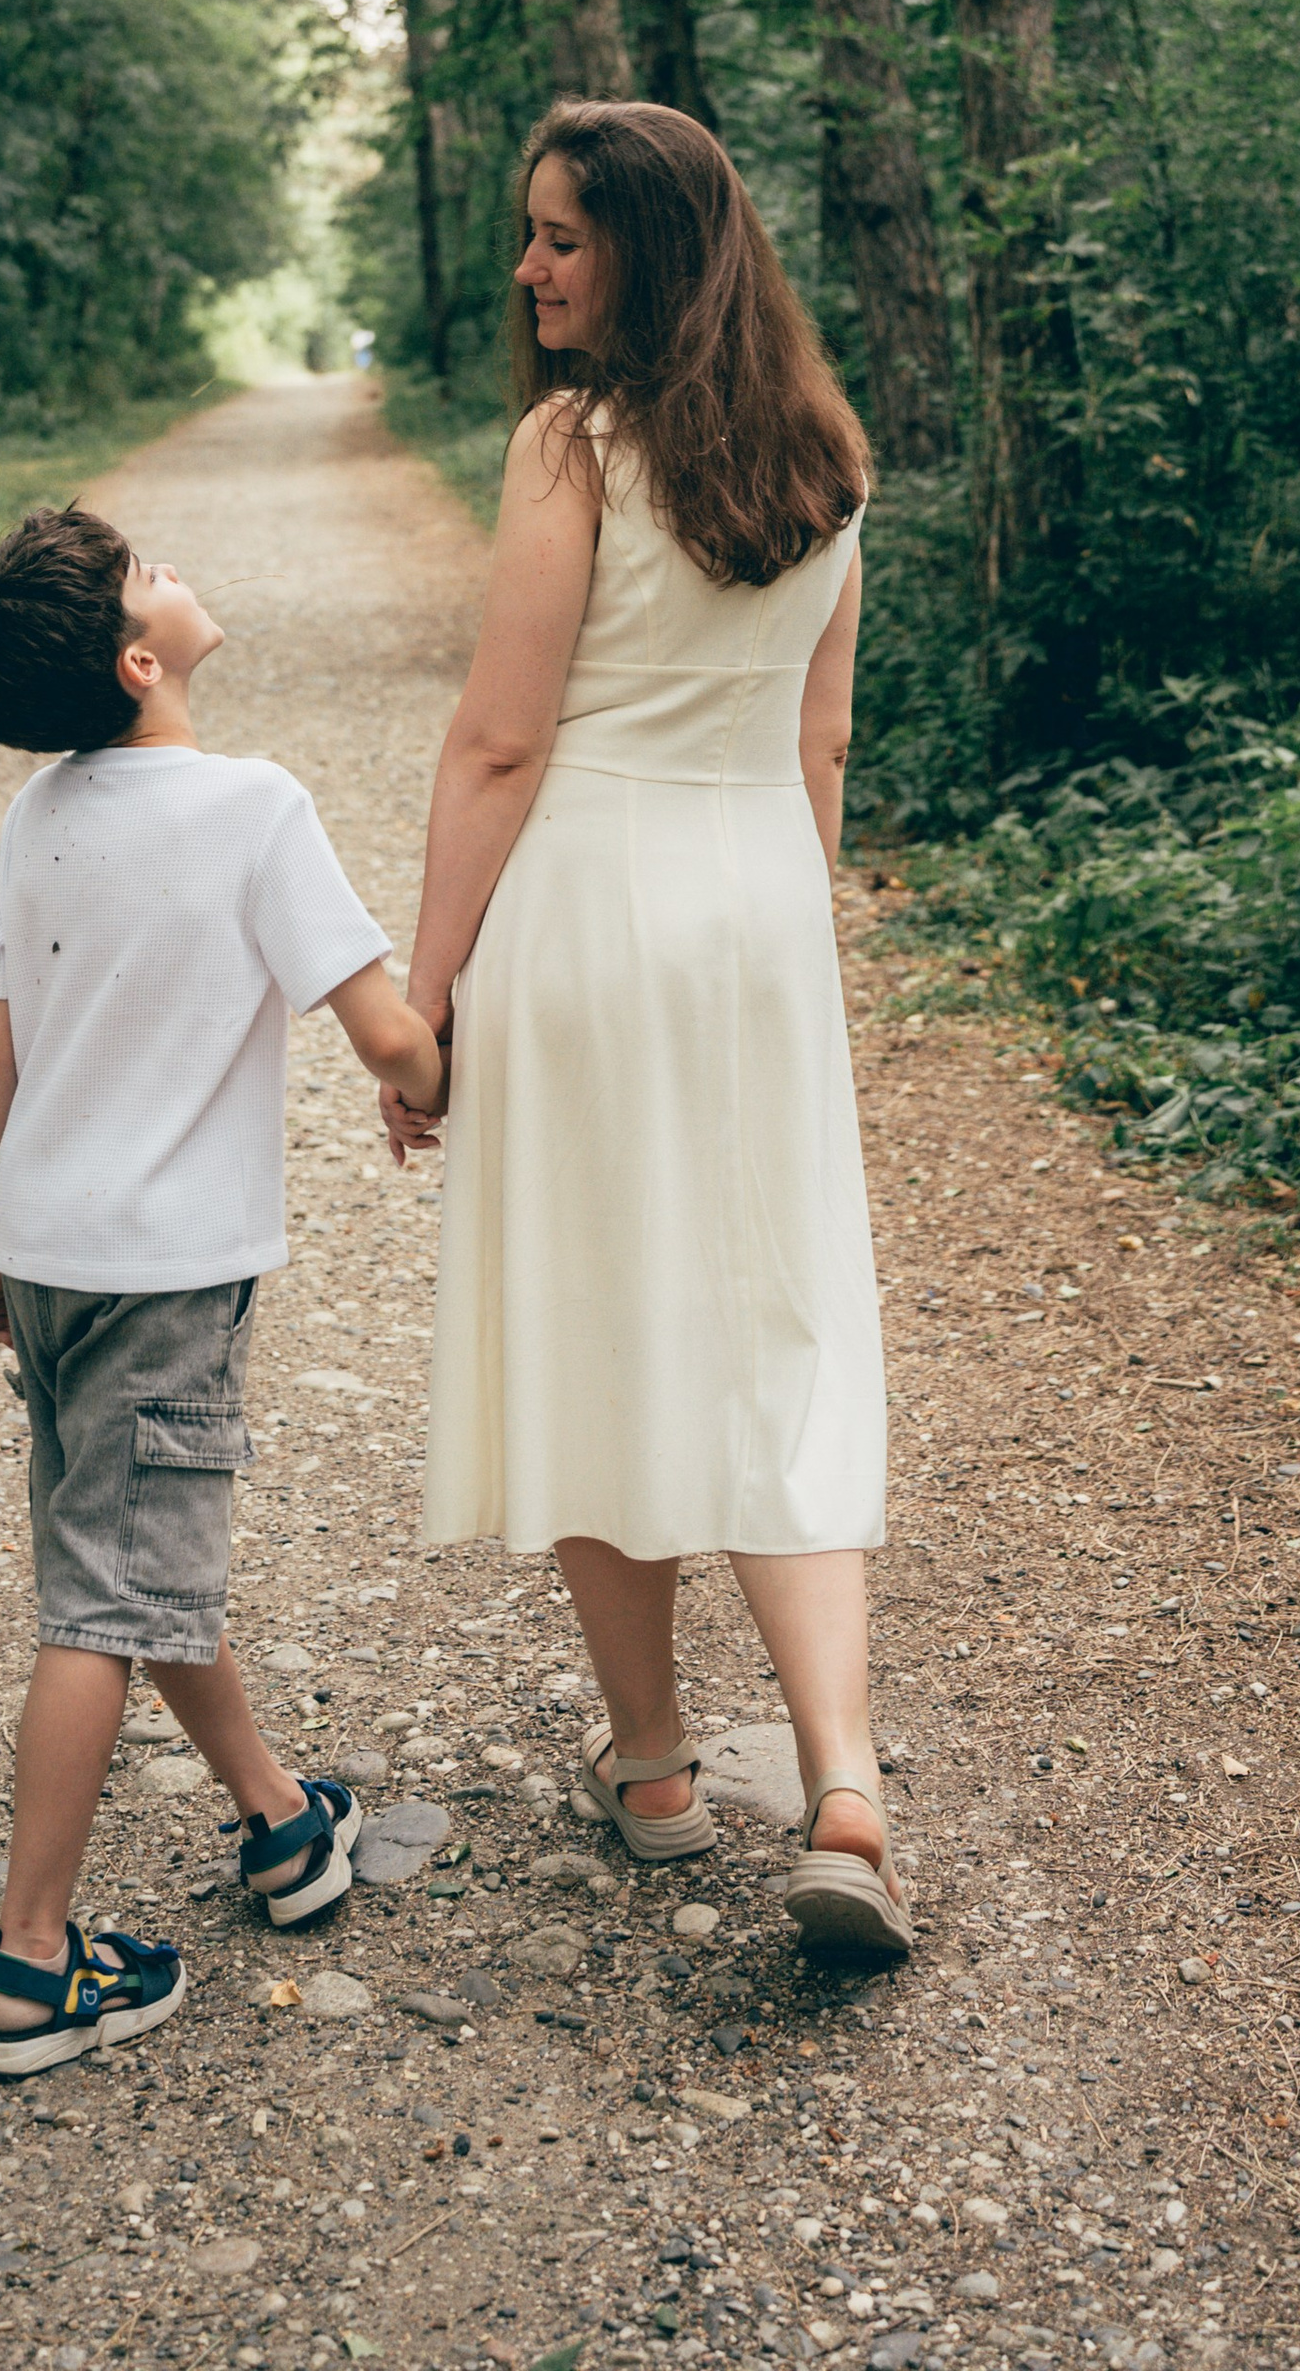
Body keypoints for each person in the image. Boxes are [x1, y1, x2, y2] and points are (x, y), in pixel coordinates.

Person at [391, 101, 908, 1963]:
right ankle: (842, 1780)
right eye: (530, 235)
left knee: (602, 1313)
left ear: (653, 256)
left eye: (561, 240)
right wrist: (784, 940)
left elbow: (503, 742)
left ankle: (664, 1764)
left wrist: (424, 998)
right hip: (757, 913)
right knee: (775, 1327)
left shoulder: (574, 446)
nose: (528, 270)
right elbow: (822, 747)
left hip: (593, 908)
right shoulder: (832, 456)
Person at [0, 501, 443, 2076]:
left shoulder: (42, 818)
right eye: (146, 569)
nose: (175, 564)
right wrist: (439, 1072)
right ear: (141, 659)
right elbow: (385, 1033)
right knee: (104, 1598)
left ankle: (284, 1827)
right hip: (164, 1278)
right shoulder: (253, 809)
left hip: (56, 1260)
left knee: (130, 1550)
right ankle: (29, 1963)